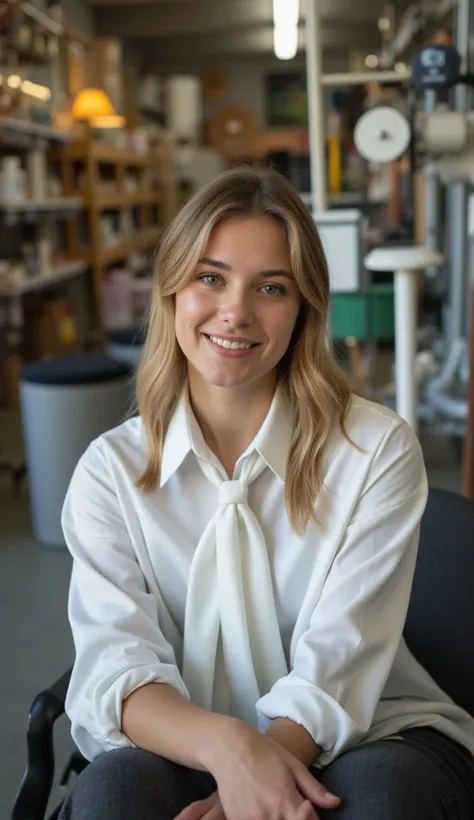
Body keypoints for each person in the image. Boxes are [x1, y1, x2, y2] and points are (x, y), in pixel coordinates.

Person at [59, 166, 474, 820]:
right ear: (171, 290)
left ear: (303, 305)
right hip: (187, 737)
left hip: (365, 729)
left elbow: (338, 666)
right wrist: (231, 752)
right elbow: (118, 665)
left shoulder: (373, 449)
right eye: (211, 277)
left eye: (271, 287)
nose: (236, 312)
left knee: (383, 795)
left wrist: (252, 786)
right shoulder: (109, 471)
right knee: (113, 793)